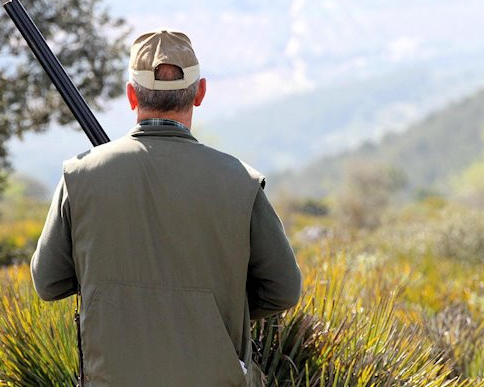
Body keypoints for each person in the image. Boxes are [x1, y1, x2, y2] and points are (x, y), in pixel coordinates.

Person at [31, 29, 302, 387]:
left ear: (131, 95)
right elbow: (283, 289)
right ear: (200, 92)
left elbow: (49, 283)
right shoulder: (240, 181)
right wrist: (212, 306)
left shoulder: (79, 176)